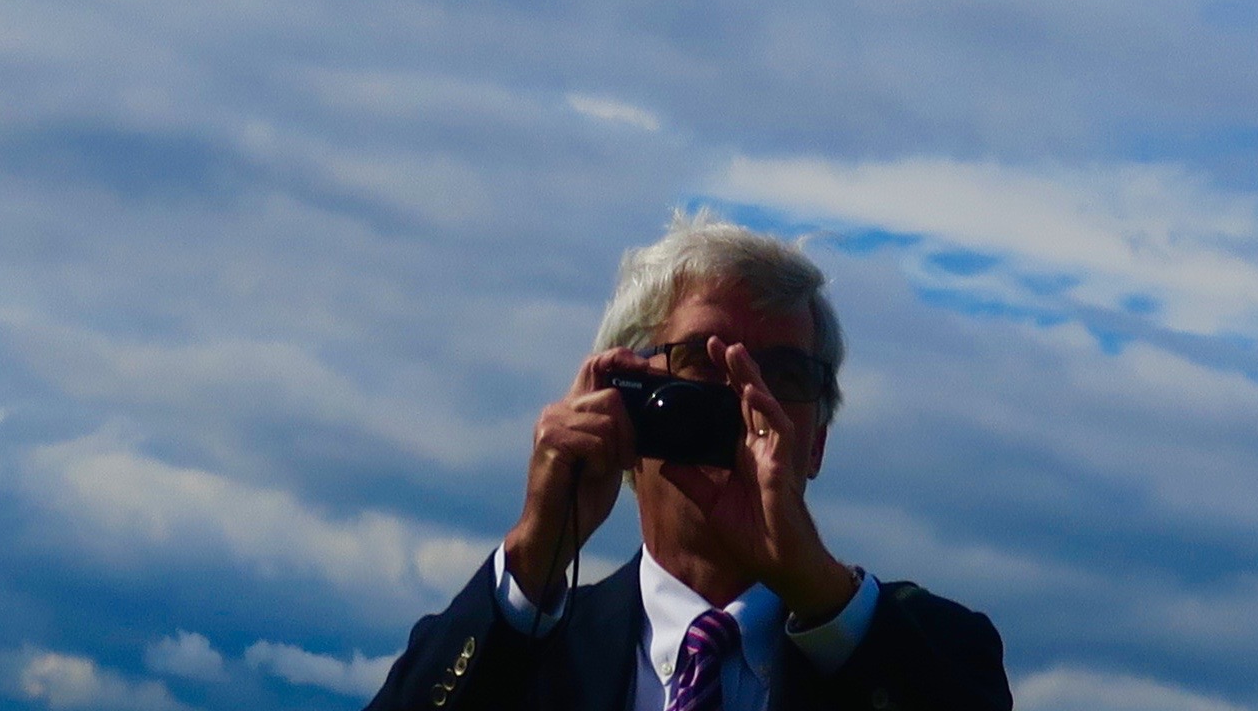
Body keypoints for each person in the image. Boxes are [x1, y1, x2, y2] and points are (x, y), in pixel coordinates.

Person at [362, 218, 1011, 711]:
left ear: (816, 441)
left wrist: (817, 587)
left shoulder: (929, 651)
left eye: (782, 374)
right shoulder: (523, 644)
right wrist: (537, 550)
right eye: (705, 361)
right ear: (617, 399)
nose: (742, 398)